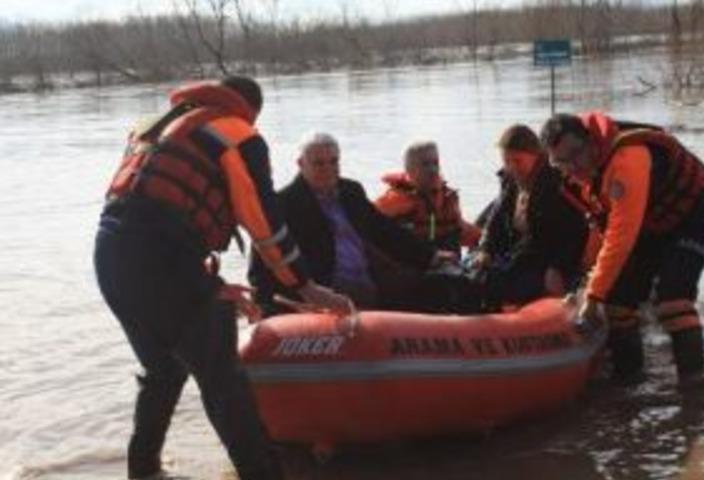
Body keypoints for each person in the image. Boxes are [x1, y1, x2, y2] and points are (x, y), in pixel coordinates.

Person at [94, 77, 351, 480]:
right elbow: (264, 223)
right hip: (164, 261)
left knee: (163, 371)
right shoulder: (239, 135)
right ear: (250, 110)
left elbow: (150, 211)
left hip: (110, 257)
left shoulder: (155, 126)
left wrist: (209, 285)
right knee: (225, 381)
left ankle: (143, 471)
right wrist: (305, 285)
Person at [539, 111, 704, 383]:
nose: (572, 167)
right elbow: (600, 228)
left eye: (575, 155)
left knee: (673, 300)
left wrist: (593, 295)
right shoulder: (581, 176)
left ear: (590, 143)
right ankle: (628, 381)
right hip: (649, 223)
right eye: (561, 162)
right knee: (618, 302)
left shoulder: (627, 160)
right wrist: (585, 283)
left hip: (690, 216)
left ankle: (695, 391)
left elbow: (621, 236)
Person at [249, 132, 474, 315]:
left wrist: (430, 256)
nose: (328, 169)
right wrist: (266, 308)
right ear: (301, 164)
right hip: (325, 291)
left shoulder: (351, 191)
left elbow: (384, 230)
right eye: (319, 164)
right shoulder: (283, 204)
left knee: (443, 286)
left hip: (369, 281)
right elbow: (262, 264)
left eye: (334, 161)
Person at [472, 124, 589, 308]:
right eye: (507, 161)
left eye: (518, 161)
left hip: (546, 259)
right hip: (519, 253)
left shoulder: (557, 184)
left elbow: (574, 232)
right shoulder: (510, 181)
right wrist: (485, 249)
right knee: (476, 270)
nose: (511, 167)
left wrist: (556, 268)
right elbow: (495, 220)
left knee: (498, 282)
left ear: (536, 156)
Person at [375, 141, 482, 253]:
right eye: (425, 164)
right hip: (409, 263)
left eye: (435, 163)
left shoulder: (447, 198)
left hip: (448, 263)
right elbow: (369, 224)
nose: (432, 169)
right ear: (409, 170)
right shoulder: (395, 200)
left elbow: (461, 229)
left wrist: (485, 240)